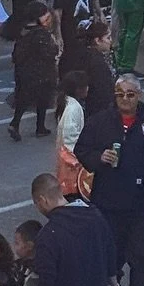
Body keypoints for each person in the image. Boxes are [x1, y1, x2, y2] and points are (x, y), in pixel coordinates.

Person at [74, 73, 144, 286]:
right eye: (120, 94)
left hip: (143, 207)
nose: (125, 99)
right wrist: (99, 157)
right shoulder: (99, 122)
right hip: (109, 205)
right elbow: (82, 150)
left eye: (130, 94)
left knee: (141, 259)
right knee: (108, 261)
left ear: (138, 95)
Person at [9, 0, 61, 141]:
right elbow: (50, 52)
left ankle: (15, 123)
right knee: (42, 100)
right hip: (42, 72)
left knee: (23, 99)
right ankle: (40, 127)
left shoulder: (23, 32)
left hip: (23, 71)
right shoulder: (42, 34)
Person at [54, 66, 90, 197]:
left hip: (67, 158)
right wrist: (81, 157)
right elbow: (70, 138)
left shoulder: (68, 104)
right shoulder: (73, 108)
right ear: (78, 89)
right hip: (71, 161)